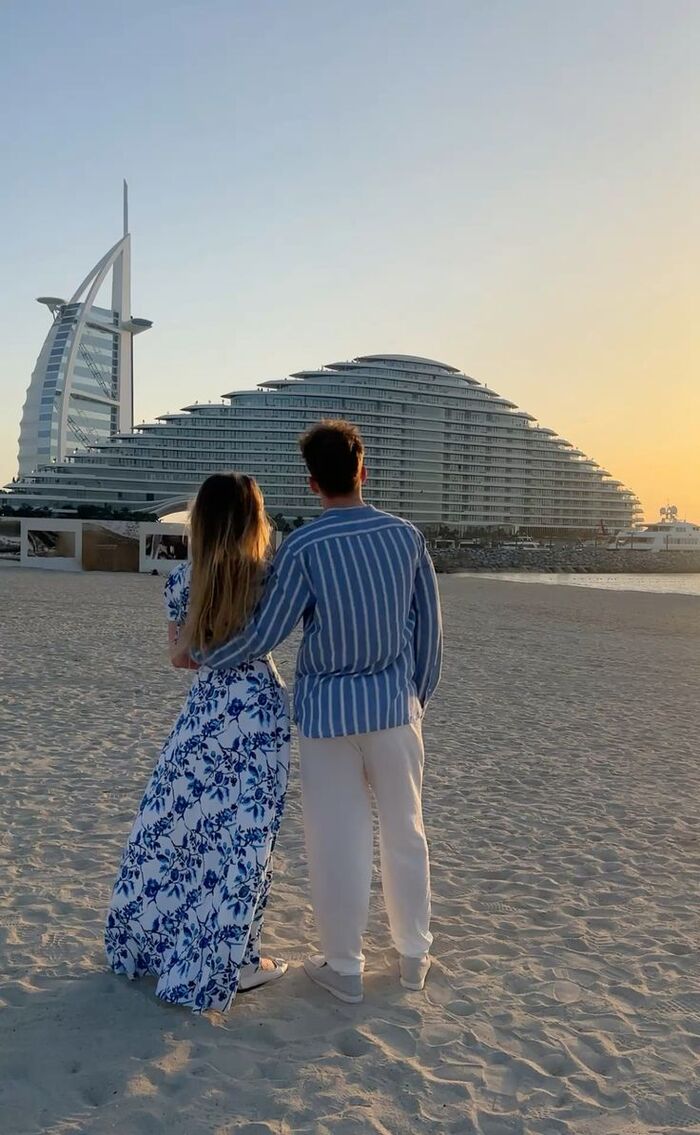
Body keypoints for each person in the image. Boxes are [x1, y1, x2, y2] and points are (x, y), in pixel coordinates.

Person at [192, 421, 442, 1003]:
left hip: (327, 715)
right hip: (394, 710)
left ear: (312, 483)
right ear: (363, 471)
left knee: (339, 839)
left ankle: (345, 967)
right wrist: (414, 700)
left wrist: (204, 653)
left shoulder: (304, 545)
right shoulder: (406, 538)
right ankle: (413, 958)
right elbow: (430, 633)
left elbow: (265, 634)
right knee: (406, 833)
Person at [105, 473, 290, 1012]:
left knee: (177, 829)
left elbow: (181, 658)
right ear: (256, 521)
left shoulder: (184, 579)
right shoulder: (269, 575)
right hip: (257, 712)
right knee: (244, 838)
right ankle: (238, 958)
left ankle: (156, 942)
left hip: (206, 712)